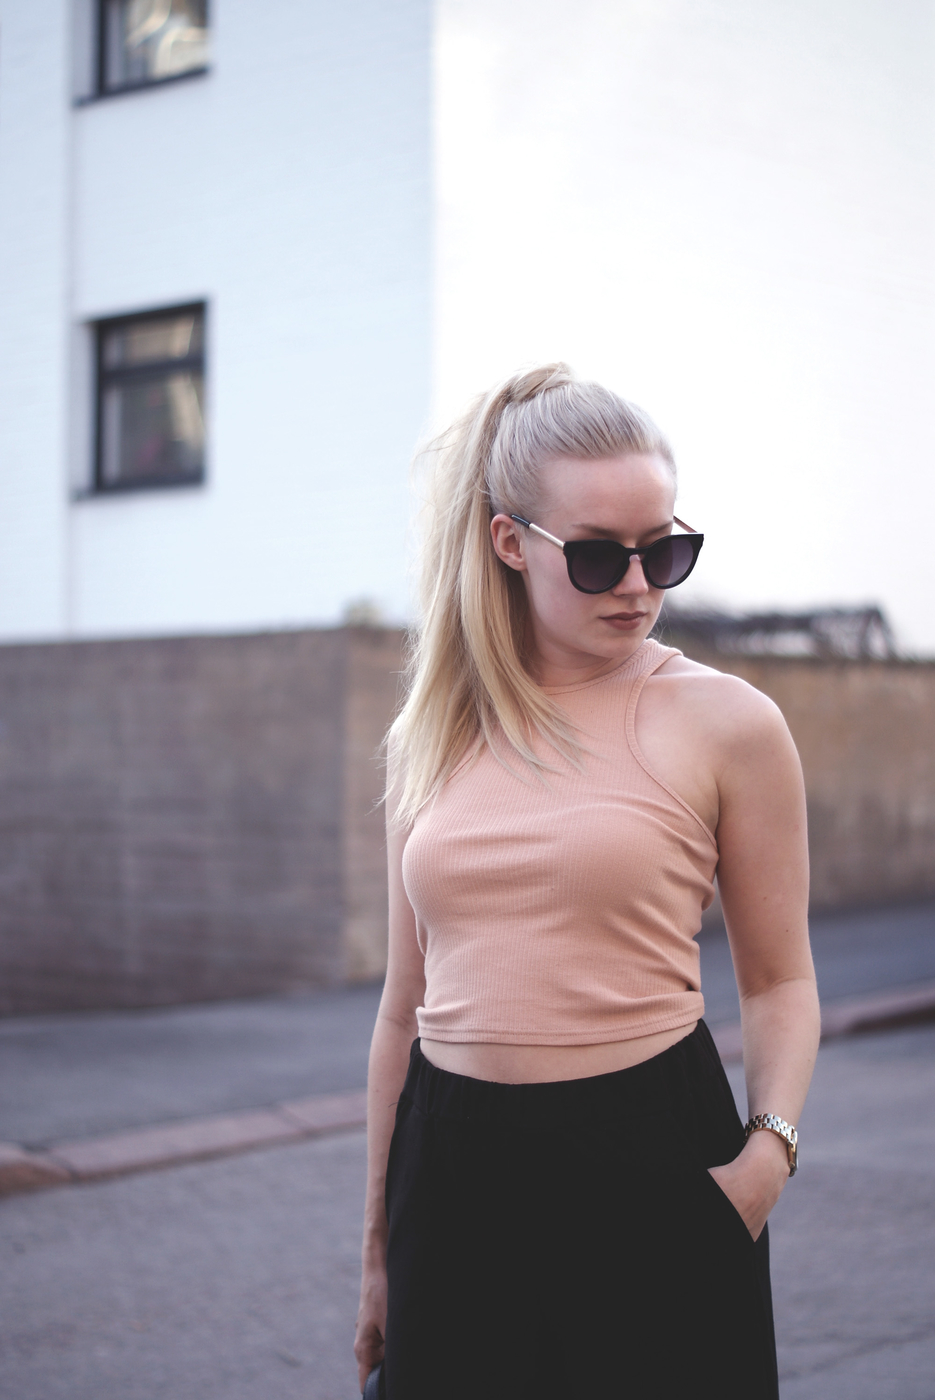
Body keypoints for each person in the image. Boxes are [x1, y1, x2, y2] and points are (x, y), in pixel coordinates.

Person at [354, 364, 820, 1399]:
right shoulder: (432, 731)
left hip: (651, 1155)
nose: (639, 585)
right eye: (601, 555)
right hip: (450, 1170)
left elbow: (780, 979)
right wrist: (378, 1249)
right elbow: (401, 1008)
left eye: (665, 549)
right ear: (508, 541)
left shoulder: (728, 723)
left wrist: (765, 1159)